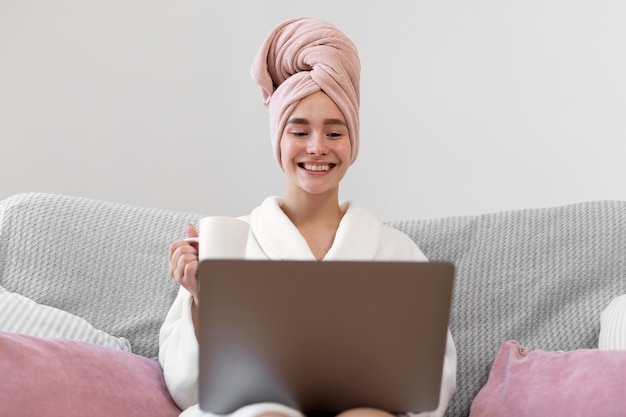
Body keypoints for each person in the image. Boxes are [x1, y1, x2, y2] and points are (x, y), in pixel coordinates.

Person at [159, 16, 457, 417]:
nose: (317, 148)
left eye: (334, 133)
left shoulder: (396, 252)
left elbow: (431, 390)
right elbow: (187, 389)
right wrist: (201, 299)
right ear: (278, 140)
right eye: (299, 132)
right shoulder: (229, 245)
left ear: (352, 144)